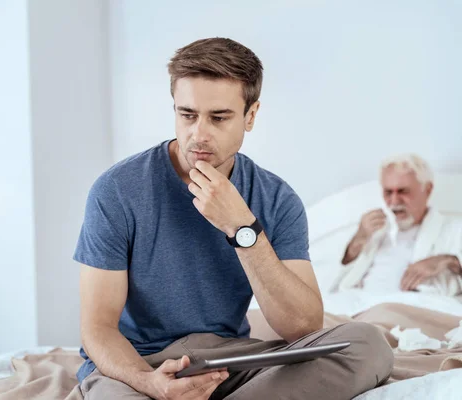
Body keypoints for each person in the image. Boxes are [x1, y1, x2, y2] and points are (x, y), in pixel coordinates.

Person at [74, 37, 393, 400]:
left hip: (228, 359)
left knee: (367, 344)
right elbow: (97, 327)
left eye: (219, 117)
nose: (199, 134)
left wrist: (243, 228)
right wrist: (151, 384)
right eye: (187, 115)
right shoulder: (117, 190)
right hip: (139, 364)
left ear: (251, 115)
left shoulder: (277, 199)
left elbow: (302, 327)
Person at [332, 154, 462, 295]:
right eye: (388, 192)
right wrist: (359, 239)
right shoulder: (373, 231)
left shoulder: (454, 229)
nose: (394, 201)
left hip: (411, 309)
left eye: (403, 191)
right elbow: (332, 280)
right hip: (357, 307)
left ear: (428, 189)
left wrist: (448, 260)